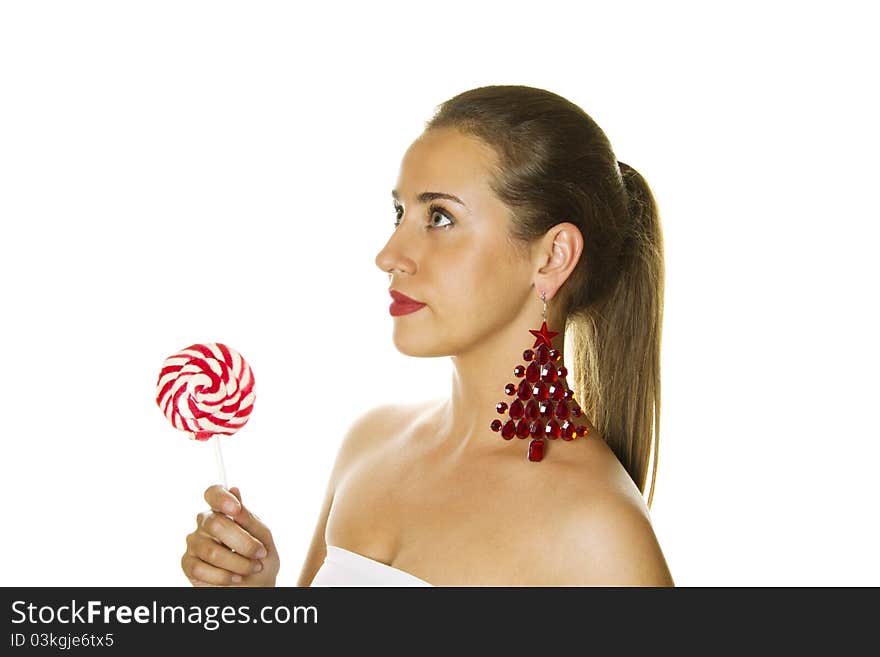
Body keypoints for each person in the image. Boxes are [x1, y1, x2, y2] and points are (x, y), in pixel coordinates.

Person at [181, 84, 673, 586]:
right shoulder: (370, 444)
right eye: (401, 214)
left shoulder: (598, 528)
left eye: (440, 217)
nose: (390, 255)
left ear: (552, 257)